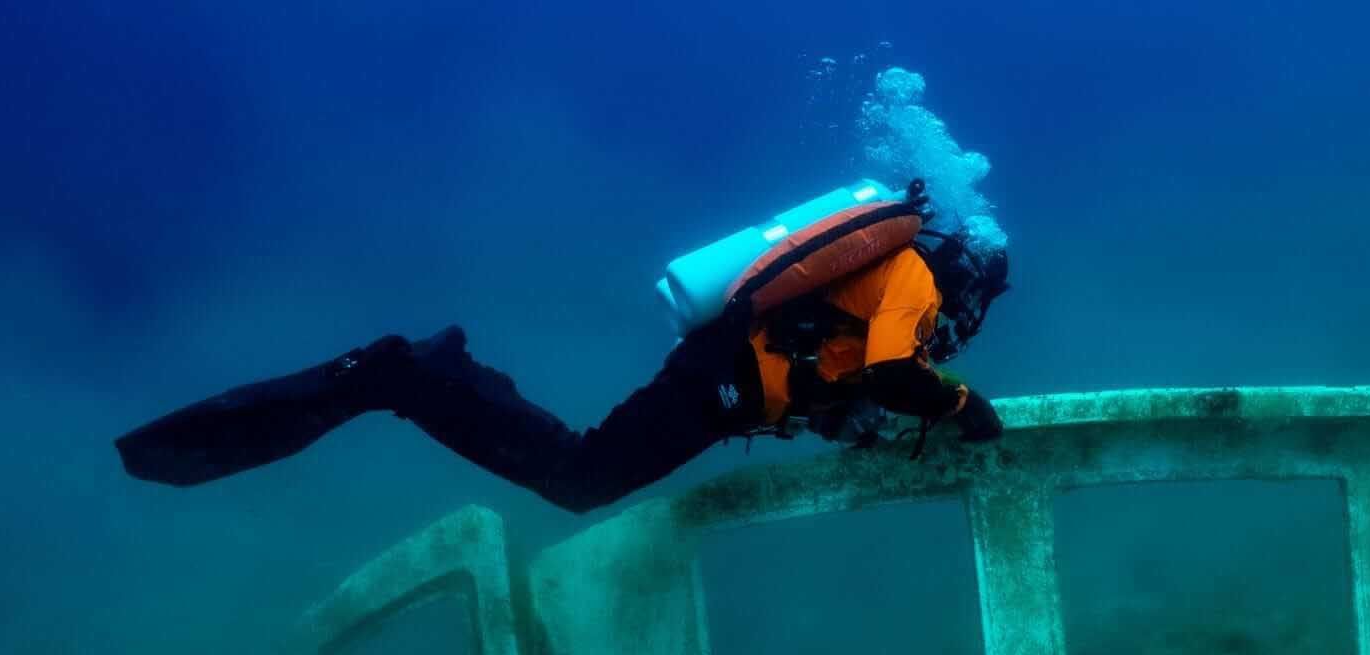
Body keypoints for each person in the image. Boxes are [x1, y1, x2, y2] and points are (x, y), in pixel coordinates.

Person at [113, 185, 1009, 513]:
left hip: (727, 376)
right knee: (580, 479)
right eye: (980, 304)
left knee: (579, 473)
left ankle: (442, 373)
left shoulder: (893, 280)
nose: (967, 322)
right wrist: (966, 407)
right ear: (969, 279)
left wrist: (845, 415)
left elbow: (847, 368)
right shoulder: (916, 282)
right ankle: (410, 375)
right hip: (716, 383)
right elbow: (894, 371)